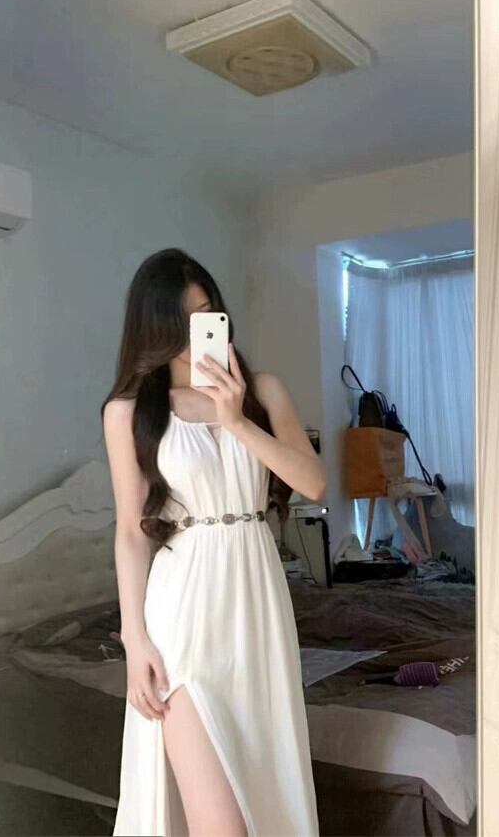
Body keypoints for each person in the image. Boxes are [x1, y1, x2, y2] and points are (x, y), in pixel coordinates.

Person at [101, 247, 325, 837]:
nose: (193, 331)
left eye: (205, 314)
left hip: (256, 606)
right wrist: (134, 641)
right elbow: (130, 533)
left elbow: (313, 482)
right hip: (184, 614)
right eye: (177, 320)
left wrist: (236, 420)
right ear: (152, 326)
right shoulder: (129, 412)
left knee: (267, 795)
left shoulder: (262, 390)